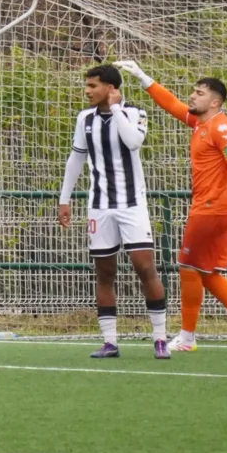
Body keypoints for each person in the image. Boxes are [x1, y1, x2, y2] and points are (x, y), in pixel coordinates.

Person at [117, 60, 227, 353]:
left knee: (191, 265)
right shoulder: (201, 123)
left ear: (214, 101)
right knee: (202, 269)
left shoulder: (222, 127)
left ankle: (199, 334)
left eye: (199, 93)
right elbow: (172, 105)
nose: (192, 95)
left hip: (213, 207)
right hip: (211, 206)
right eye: (194, 91)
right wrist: (143, 77)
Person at [57, 63, 169, 360]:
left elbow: (133, 142)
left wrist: (117, 110)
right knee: (104, 273)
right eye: (87, 85)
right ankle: (110, 342)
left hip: (132, 205)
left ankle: (160, 339)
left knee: (145, 268)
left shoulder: (134, 112)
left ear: (110, 88)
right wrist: (64, 199)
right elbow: (76, 159)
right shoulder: (85, 119)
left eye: (93, 86)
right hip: (99, 207)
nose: (87, 91)